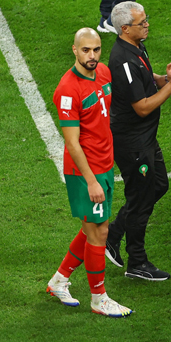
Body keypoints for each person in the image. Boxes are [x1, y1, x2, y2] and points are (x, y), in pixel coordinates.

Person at [104, 2, 171, 281]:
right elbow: (142, 106)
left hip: (143, 138)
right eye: (141, 23)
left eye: (146, 20)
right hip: (132, 142)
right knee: (141, 199)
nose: (147, 25)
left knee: (158, 186)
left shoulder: (136, 47)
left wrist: (166, 77)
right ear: (124, 29)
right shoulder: (122, 60)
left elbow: (146, 80)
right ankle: (137, 262)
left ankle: (113, 234)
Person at [48, 28, 133, 318]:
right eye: (86, 50)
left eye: (96, 49)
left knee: (92, 228)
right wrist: (91, 180)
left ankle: (59, 280)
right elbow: (71, 142)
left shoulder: (104, 73)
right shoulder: (68, 90)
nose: (92, 56)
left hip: (104, 164)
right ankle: (99, 298)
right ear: (74, 50)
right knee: (100, 232)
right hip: (85, 171)